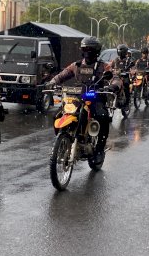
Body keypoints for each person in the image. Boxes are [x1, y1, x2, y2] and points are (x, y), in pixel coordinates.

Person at [46, 36, 113, 164]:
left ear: (97, 51)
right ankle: (62, 143)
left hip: (95, 98)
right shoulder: (76, 65)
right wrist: (52, 82)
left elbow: (114, 78)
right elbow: (62, 75)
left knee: (103, 116)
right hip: (77, 97)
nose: (87, 51)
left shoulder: (103, 66)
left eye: (90, 49)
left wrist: (113, 85)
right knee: (57, 116)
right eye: (85, 48)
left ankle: (99, 149)